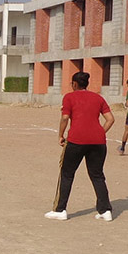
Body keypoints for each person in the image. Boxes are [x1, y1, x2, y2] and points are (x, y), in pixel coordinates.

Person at [46, 72, 114, 222]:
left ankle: (60, 209)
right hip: (98, 142)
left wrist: (60, 135)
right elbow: (110, 119)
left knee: (67, 173)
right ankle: (105, 210)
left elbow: (64, 117)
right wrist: (99, 132)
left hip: (76, 140)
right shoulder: (98, 98)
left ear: (74, 84)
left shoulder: (69, 97)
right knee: (97, 175)